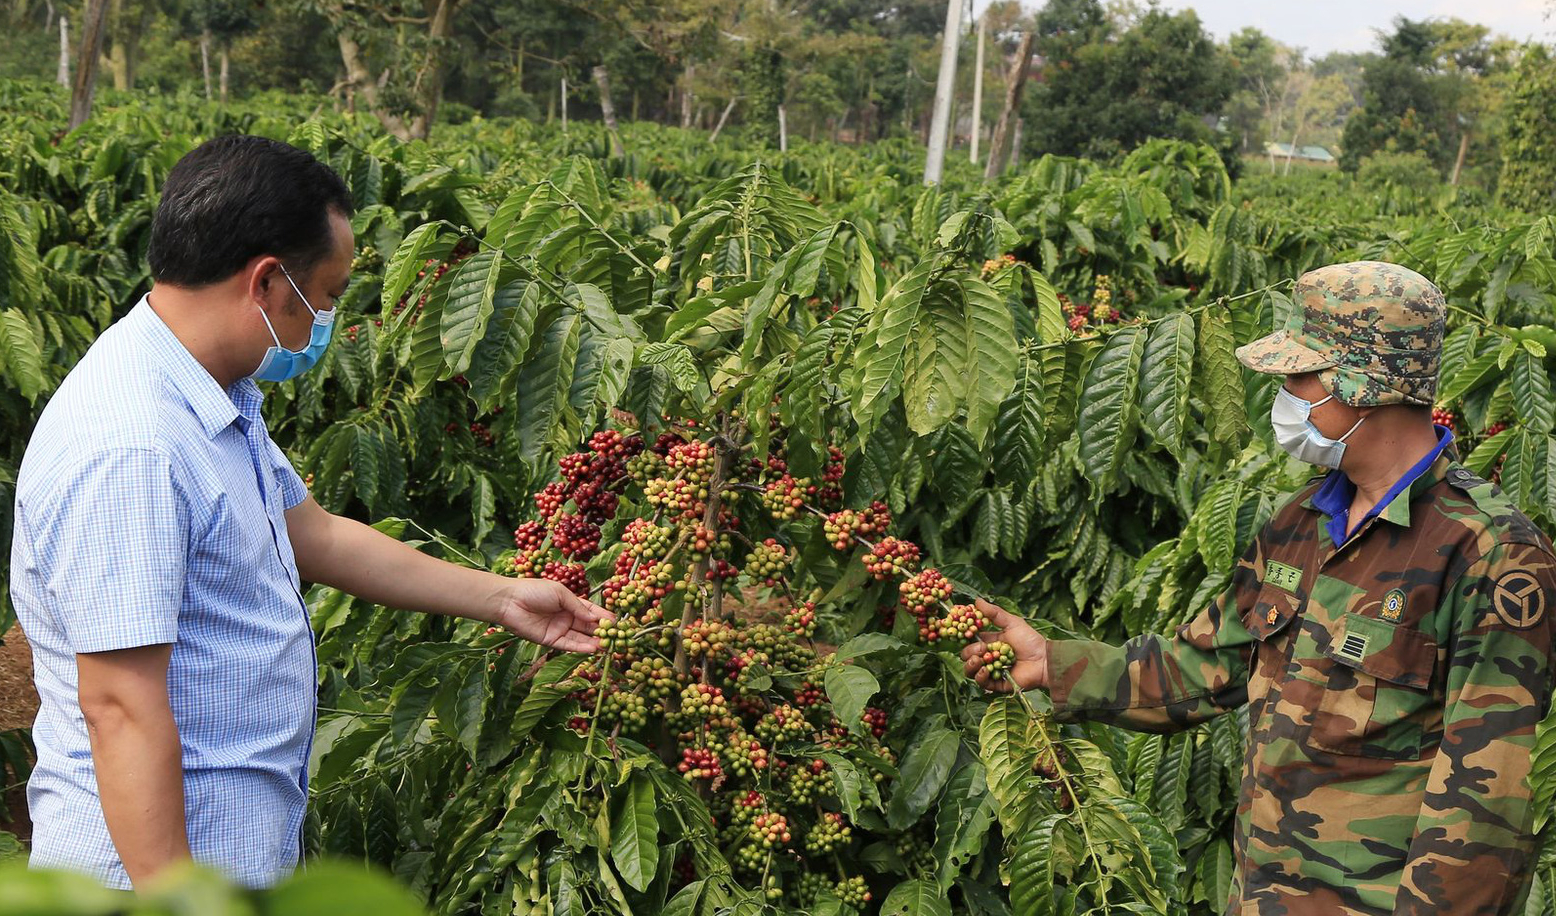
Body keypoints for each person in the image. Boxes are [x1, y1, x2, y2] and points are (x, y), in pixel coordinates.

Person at [11, 135, 612, 891]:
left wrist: (502, 598)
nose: (325, 319)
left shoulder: (213, 392)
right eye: (326, 295)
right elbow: (119, 706)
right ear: (266, 283)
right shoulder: (134, 445)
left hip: (229, 852)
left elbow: (313, 534)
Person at [964, 261, 1556, 915]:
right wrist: (1054, 663)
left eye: (1300, 374)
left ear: (1363, 381)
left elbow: (1486, 804)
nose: (1285, 392)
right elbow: (1207, 662)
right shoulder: (1299, 524)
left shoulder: (1489, 553)